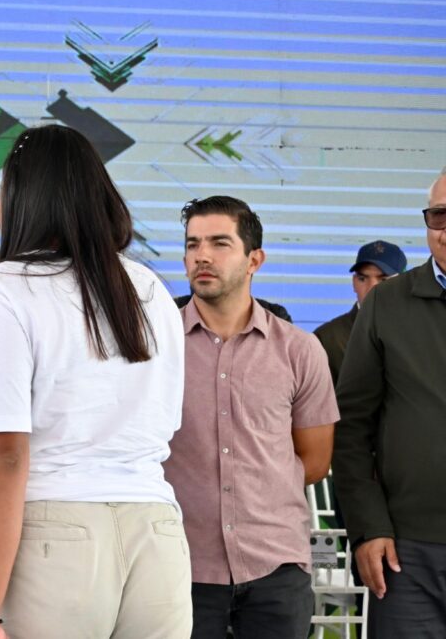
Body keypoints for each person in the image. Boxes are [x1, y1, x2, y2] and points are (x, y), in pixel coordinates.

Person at [0, 125, 191, 638]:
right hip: (157, 536)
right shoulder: (149, 288)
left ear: (22, 199)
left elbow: (2, 454)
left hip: (49, 538)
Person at [164, 196, 339, 639]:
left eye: (219, 243)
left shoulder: (299, 350)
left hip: (275, 568)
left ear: (254, 260)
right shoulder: (156, 347)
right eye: (192, 245)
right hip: (178, 565)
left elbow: (315, 461)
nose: (202, 256)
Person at [333, 169, 446, 637]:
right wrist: (368, 526)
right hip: (407, 552)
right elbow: (350, 427)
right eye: (439, 216)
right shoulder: (387, 304)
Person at [314, 240, 406, 385]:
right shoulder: (327, 339)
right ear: (354, 282)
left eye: (383, 280)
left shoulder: (423, 333)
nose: (371, 289)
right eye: (363, 279)